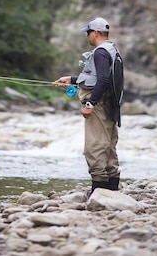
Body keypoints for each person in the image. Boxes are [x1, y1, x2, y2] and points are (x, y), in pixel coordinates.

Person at [54, 16, 122, 193]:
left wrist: (90, 104)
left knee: (95, 146)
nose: (87, 36)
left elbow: (103, 80)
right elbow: (97, 79)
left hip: (99, 106)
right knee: (108, 146)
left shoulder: (100, 52)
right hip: (110, 105)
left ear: (97, 33)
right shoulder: (112, 50)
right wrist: (72, 79)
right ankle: (111, 189)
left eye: (89, 32)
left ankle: (98, 190)